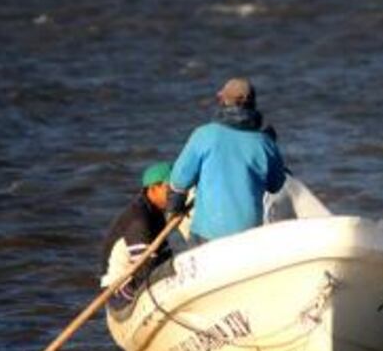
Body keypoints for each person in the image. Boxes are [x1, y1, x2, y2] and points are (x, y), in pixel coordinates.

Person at [167, 77, 286, 243]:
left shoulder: (204, 135)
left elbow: (179, 181)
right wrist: (270, 147)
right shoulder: (264, 143)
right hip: (249, 233)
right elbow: (276, 185)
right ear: (253, 104)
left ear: (223, 101)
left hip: (208, 232)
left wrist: (175, 206)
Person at [100, 162, 174, 313]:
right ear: (153, 189)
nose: (174, 193)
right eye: (169, 188)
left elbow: (163, 257)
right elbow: (144, 270)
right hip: (119, 289)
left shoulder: (157, 212)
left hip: (141, 274)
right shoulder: (139, 219)